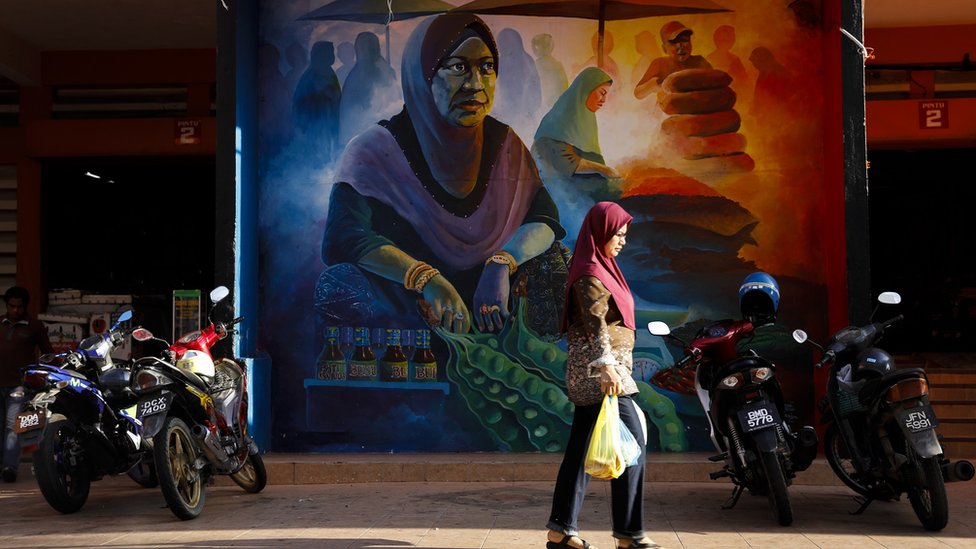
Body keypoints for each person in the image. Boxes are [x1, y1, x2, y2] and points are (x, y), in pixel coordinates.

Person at [315, 13, 566, 340]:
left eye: (487, 67)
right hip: (405, 313)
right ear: (423, 76)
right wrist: (424, 278)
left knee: (557, 263)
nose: (477, 84)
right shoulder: (374, 150)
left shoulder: (504, 143)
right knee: (340, 286)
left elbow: (544, 217)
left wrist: (502, 263)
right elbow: (344, 236)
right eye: (459, 67)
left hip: (491, 304)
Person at [546, 202, 661, 549]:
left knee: (581, 450)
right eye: (619, 234)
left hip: (605, 370)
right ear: (601, 232)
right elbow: (596, 323)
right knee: (634, 443)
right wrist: (606, 366)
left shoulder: (603, 268)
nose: (623, 241)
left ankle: (561, 531)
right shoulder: (590, 273)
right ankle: (629, 534)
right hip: (601, 374)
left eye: (626, 235)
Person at [532, 67, 620, 249]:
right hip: (558, 190)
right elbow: (567, 163)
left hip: (575, 184)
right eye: (601, 93)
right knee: (576, 233)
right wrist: (605, 170)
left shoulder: (585, 116)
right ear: (586, 90)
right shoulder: (564, 117)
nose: (604, 99)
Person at [0, 286, 52, 482]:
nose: (15, 310)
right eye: (11, 306)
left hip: (19, 385)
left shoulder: (34, 326)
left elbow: (48, 354)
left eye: (19, 307)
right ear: (7, 305)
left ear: (25, 307)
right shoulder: (0, 323)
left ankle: (9, 468)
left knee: (11, 426)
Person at [634, 20, 712, 100]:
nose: (681, 47)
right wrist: (652, 85)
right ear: (664, 49)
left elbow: (716, 85)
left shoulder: (699, 61)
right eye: (673, 43)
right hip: (668, 110)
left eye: (685, 40)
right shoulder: (660, 63)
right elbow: (638, 93)